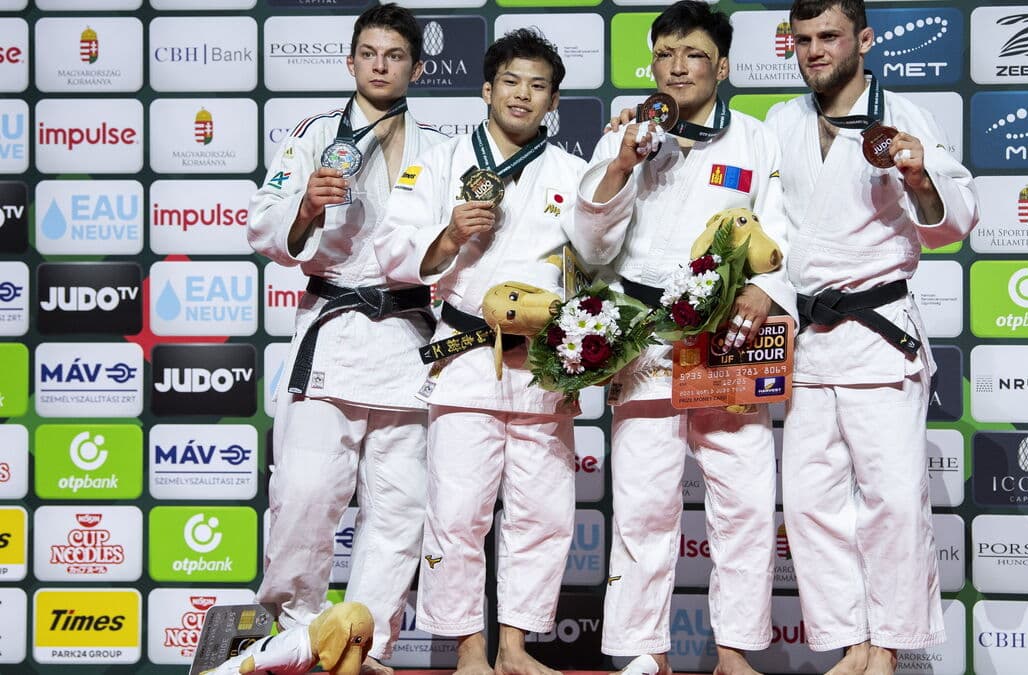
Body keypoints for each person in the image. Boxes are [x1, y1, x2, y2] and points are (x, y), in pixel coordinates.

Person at [569, 3, 793, 674]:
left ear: (721, 67)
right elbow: (588, 244)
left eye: (693, 54)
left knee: (745, 502)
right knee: (644, 503)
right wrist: (620, 166)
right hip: (643, 336)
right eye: (664, 54)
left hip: (725, 341)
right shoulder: (628, 136)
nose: (676, 67)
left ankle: (734, 652)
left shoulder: (756, 139)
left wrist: (767, 290)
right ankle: (644, 651)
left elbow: (781, 231)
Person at [765, 1, 979, 674]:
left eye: (828, 36)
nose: (814, 50)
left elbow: (954, 222)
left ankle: (885, 646)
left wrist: (919, 178)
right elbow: (766, 222)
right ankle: (850, 641)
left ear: (863, 39)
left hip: (879, 336)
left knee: (892, 499)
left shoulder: (905, 119)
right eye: (803, 39)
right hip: (808, 339)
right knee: (810, 503)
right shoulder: (781, 121)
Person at [374, 28, 586, 675]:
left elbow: (594, 266)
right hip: (466, 357)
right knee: (457, 512)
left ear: (553, 101)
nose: (523, 95)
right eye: (512, 82)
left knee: (543, 513)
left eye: (538, 86)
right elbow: (392, 250)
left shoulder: (574, 174)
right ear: (487, 89)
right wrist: (448, 235)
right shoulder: (438, 163)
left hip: (544, 366)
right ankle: (468, 650)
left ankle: (515, 648)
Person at [246, 5, 449, 673]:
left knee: (400, 508)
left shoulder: (440, 147)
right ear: (350, 61)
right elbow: (263, 225)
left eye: (395, 55)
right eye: (369, 53)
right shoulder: (313, 135)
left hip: (408, 339)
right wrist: (306, 206)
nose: (381, 65)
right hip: (332, 333)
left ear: (417, 68)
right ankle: (294, 637)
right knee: (304, 496)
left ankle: (365, 648)